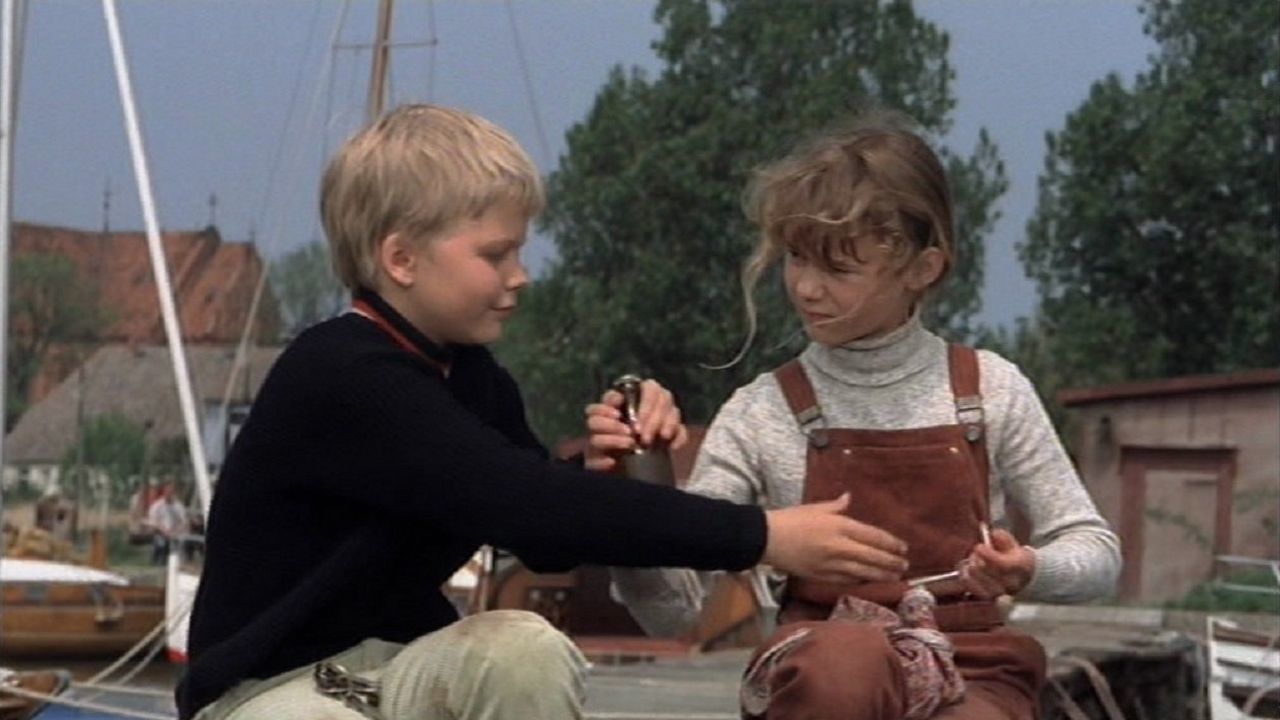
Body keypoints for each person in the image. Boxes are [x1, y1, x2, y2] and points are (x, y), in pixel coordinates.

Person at [177, 104, 909, 720]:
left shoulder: (471, 377)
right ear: (401, 260)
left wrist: (603, 465)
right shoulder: (344, 374)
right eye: (495, 255)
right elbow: (525, 503)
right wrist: (763, 535)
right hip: (267, 690)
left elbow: (543, 536)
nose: (521, 276)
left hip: (394, 668)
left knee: (523, 650)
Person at [605, 112, 1122, 719]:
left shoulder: (990, 390)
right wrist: (628, 499)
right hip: (823, 677)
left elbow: (1097, 554)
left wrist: (1029, 569)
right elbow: (675, 610)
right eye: (796, 259)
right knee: (848, 662)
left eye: (838, 270)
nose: (806, 288)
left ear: (923, 269)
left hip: (970, 667)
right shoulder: (761, 412)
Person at [146, 483, 188, 565]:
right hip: (160, 531)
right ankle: (159, 559)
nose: (169, 494)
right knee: (161, 542)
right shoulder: (157, 506)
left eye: (171, 492)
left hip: (176, 531)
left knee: (182, 540)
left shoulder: (179, 506)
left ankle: (177, 560)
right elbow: (153, 521)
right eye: (167, 492)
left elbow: (184, 521)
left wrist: (177, 531)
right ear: (163, 493)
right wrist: (163, 530)